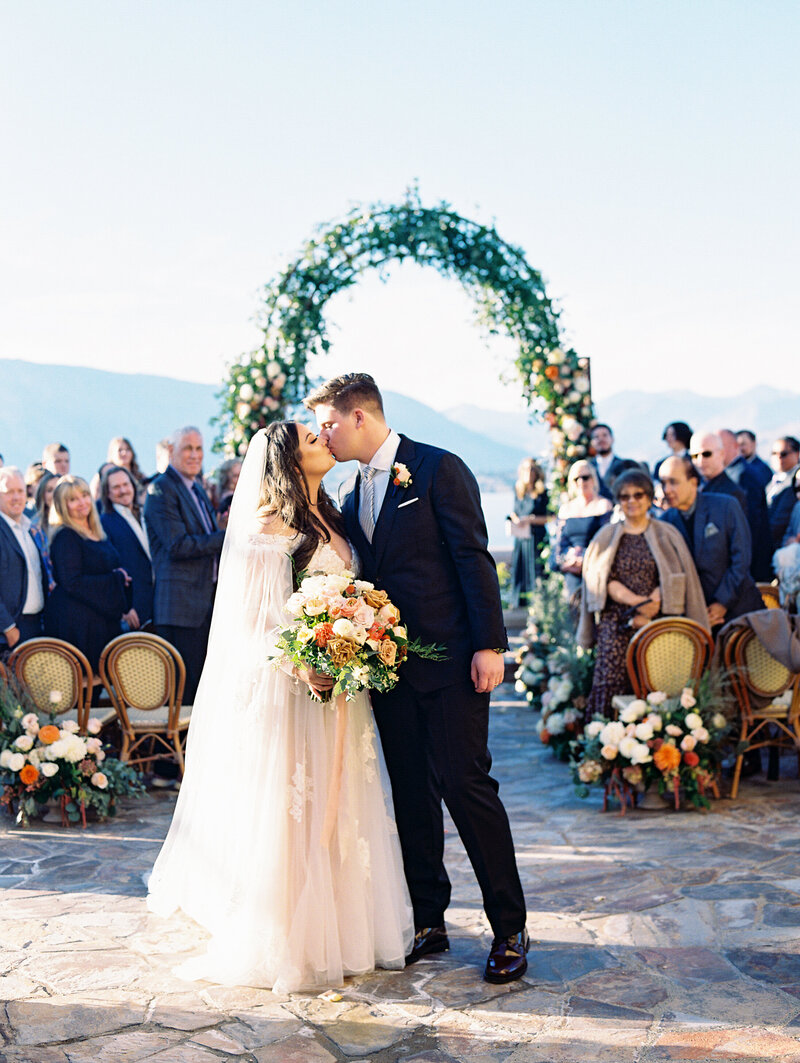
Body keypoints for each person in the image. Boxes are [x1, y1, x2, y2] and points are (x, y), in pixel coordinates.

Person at [147, 422, 414, 992]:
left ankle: (344, 932)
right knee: (301, 813)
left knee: (344, 804)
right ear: (288, 458)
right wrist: (308, 660)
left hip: (345, 687)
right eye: (310, 438)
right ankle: (293, 939)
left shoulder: (333, 513)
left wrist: (362, 637)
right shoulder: (268, 525)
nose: (323, 439)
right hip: (298, 690)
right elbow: (255, 623)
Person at [306, 373, 528, 986]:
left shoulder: (436, 468)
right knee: (411, 796)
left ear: (358, 417)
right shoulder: (351, 489)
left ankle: (510, 926)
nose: (322, 434)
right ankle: (430, 919)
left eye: (327, 422)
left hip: (455, 663)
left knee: (467, 787)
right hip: (390, 671)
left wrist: (490, 644)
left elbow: (473, 558)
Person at [578, 469, 708, 717]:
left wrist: (653, 605)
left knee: (659, 685)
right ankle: (605, 743)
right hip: (616, 620)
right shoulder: (605, 536)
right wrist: (638, 602)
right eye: (625, 496)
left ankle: (657, 746)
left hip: (659, 619)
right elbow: (600, 580)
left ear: (649, 498)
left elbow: (676, 574)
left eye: (638, 495)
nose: (632, 501)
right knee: (610, 682)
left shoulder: (667, 533)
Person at [144, 427, 225, 701]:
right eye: (187, 448)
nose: (194, 455)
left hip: (205, 602)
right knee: (187, 693)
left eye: (199, 448)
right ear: (171, 452)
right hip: (181, 608)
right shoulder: (160, 490)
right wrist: (226, 537)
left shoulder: (196, 488)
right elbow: (177, 545)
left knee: (207, 685)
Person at [659, 456, 764, 632]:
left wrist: (722, 602)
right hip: (699, 620)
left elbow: (742, 558)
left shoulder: (725, 506)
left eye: (673, 482)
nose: (667, 490)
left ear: (693, 482)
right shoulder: (665, 522)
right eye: (663, 483)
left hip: (742, 611)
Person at [44, 476, 133, 669]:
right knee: (82, 692)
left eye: (84, 495)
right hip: (78, 627)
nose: (82, 502)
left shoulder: (97, 531)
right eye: (73, 499)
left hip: (99, 623)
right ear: (62, 505)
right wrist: (116, 578)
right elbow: (72, 582)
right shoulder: (66, 536)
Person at [0, 467, 49, 655]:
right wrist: (8, 628)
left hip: (37, 626)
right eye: (8, 492)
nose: (16, 497)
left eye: (20, 491)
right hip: (10, 634)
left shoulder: (30, 528)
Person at [99, 465, 153, 629]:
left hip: (160, 602)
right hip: (133, 610)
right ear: (107, 493)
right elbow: (109, 569)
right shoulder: (104, 523)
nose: (123, 490)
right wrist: (125, 608)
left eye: (125, 485)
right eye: (116, 487)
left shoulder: (147, 513)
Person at [717, 428, 772, 581]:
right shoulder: (732, 473)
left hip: (751, 562)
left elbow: (750, 523)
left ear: (734, 446)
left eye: (721, 446)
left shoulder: (742, 475)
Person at [553, 460, 613, 599]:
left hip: (595, 567)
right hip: (572, 569)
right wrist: (568, 560)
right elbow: (559, 544)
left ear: (593, 478)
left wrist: (585, 558)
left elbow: (606, 541)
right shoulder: (565, 509)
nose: (581, 481)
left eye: (585, 477)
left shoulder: (604, 506)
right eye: (576, 478)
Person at [508, 458, 549, 607]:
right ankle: (520, 603)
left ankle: (538, 604)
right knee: (520, 571)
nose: (528, 473)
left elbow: (550, 517)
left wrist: (531, 519)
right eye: (525, 469)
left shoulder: (542, 492)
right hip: (521, 537)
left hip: (536, 537)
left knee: (537, 572)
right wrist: (516, 519)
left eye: (531, 469)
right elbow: (514, 511)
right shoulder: (519, 491)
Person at [766, 437, 800, 550]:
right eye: (774, 453)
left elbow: (780, 521)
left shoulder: (796, 480)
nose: (778, 457)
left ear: (797, 454)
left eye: (783, 453)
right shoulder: (772, 481)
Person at [589, 423, 631, 498]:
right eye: (596, 437)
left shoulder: (625, 465)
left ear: (612, 439)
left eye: (604, 435)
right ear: (592, 442)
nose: (601, 439)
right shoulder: (588, 467)